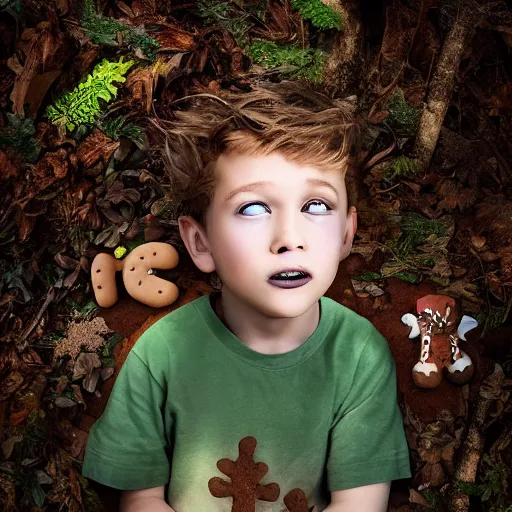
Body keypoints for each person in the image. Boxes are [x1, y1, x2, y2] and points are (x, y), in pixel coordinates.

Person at [82, 80, 411, 512]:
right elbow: (140, 498)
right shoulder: (162, 354)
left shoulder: (359, 356)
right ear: (201, 244)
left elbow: (359, 505)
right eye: (253, 208)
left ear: (347, 234)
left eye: (315, 206)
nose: (289, 239)